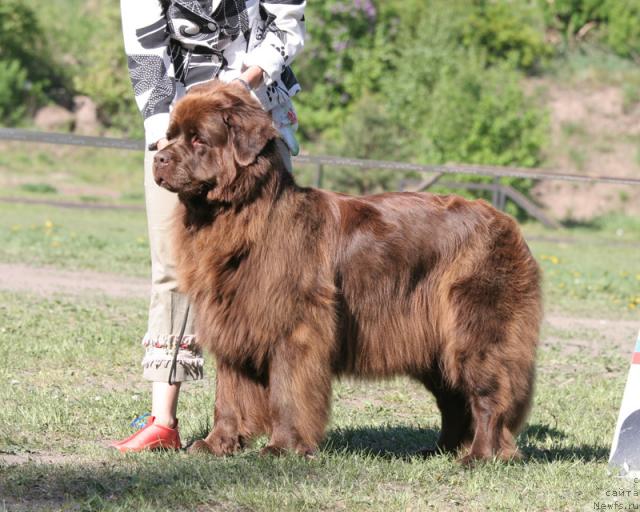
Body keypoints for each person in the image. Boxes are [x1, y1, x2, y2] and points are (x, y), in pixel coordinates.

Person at [112, 0, 306, 452]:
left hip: (251, 125)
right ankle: (163, 420)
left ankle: (269, 420)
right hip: (177, 125)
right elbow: (146, 56)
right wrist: (171, 141)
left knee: (267, 275)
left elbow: (287, 25)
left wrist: (240, 86)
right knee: (173, 266)